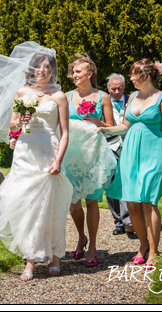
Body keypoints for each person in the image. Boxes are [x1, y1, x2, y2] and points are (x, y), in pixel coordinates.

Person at [0, 42, 73, 281]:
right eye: (38, 66)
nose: (42, 70)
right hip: (25, 152)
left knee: (50, 206)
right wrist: (20, 122)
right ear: (32, 69)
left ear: (52, 70)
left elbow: (65, 131)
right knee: (25, 203)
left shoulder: (59, 96)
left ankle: (55, 256)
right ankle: (29, 260)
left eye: (46, 66)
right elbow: (12, 123)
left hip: (49, 151)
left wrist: (59, 160)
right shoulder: (21, 92)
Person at [99, 58, 162, 270]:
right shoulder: (133, 96)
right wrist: (103, 128)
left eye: (134, 74)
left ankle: (154, 251)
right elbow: (124, 125)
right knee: (132, 202)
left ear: (146, 76)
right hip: (131, 153)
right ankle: (143, 245)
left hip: (154, 152)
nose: (131, 78)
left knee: (149, 200)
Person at [62, 55, 116, 267]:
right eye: (73, 72)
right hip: (71, 154)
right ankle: (80, 236)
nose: (74, 75)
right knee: (73, 202)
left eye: (78, 72)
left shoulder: (103, 97)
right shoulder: (65, 97)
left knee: (92, 201)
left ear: (89, 74)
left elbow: (110, 126)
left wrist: (98, 122)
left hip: (93, 152)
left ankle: (92, 246)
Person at [105, 73, 134, 237]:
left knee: (126, 183)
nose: (117, 91)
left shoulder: (132, 100)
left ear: (124, 87)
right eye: (113, 88)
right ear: (108, 88)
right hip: (108, 145)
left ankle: (128, 220)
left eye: (120, 88)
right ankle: (118, 222)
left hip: (129, 145)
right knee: (110, 184)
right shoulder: (103, 101)